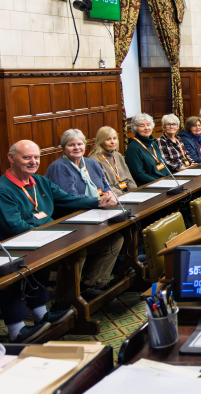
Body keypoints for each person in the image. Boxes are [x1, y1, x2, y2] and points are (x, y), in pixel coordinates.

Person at [0, 141, 118, 342]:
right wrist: (50, 230)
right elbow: (15, 227)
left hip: (40, 239)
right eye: (26, 157)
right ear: (11, 158)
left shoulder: (40, 181)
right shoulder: (4, 189)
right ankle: (16, 330)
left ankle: (41, 315)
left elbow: (68, 199)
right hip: (12, 246)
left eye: (36, 157)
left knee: (57, 258)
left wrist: (98, 202)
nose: (33, 162)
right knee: (18, 269)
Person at [45, 129, 119, 219]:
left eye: (80, 144)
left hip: (98, 209)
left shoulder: (92, 163)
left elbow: (106, 185)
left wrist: (110, 196)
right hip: (73, 215)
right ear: (64, 148)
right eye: (71, 145)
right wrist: (98, 200)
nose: (76, 147)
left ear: (85, 145)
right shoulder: (59, 167)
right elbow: (70, 198)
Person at [90, 126, 137, 195]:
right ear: (100, 141)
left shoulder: (118, 155)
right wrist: (123, 195)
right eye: (108, 139)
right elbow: (104, 186)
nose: (113, 142)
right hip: (114, 196)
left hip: (128, 193)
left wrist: (135, 191)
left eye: (114, 138)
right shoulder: (94, 160)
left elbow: (129, 178)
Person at [125, 113, 168, 185]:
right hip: (148, 185)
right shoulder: (133, 148)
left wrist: (170, 178)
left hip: (162, 181)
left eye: (148, 125)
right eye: (142, 126)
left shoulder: (153, 143)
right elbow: (139, 174)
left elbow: (162, 163)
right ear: (135, 128)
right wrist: (159, 183)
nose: (146, 128)